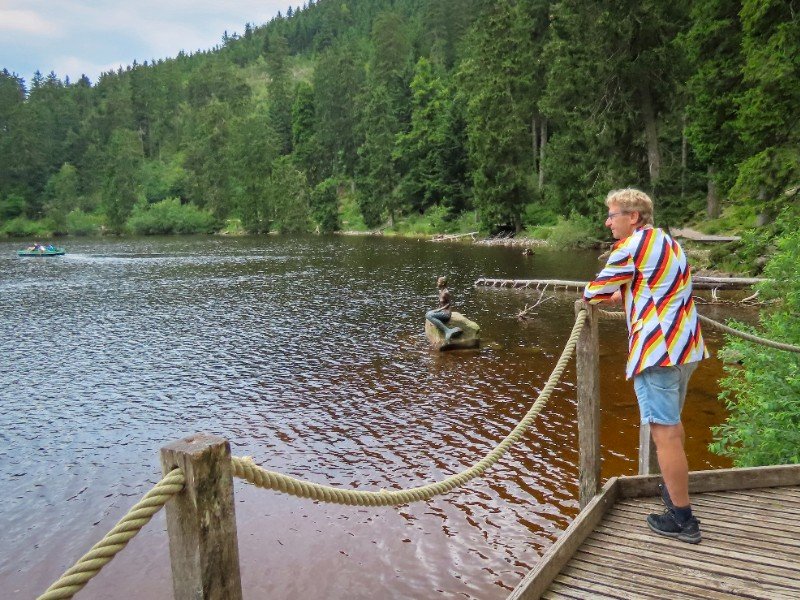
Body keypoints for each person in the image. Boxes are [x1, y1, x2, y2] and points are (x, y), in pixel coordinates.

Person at [582, 188, 708, 544]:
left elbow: (594, 291)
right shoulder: (667, 243)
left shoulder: (630, 247)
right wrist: (623, 293)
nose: (608, 222)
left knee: (663, 433)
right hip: (687, 348)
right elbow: (653, 287)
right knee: (674, 428)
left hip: (657, 353)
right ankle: (673, 492)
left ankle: (682, 519)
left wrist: (600, 293)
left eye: (612, 215)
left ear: (633, 216)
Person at [425, 276, 463, 341]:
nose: (437, 283)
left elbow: (449, 304)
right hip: (442, 311)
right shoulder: (441, 291)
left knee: (429, 315)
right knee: (428, 313)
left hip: (446, 313)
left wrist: (439, 310)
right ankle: (436, 322)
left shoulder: (446, 293)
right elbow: (441, 304)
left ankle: (447, 331)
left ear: (442, 283)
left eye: (438, 282)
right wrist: (436, 310)